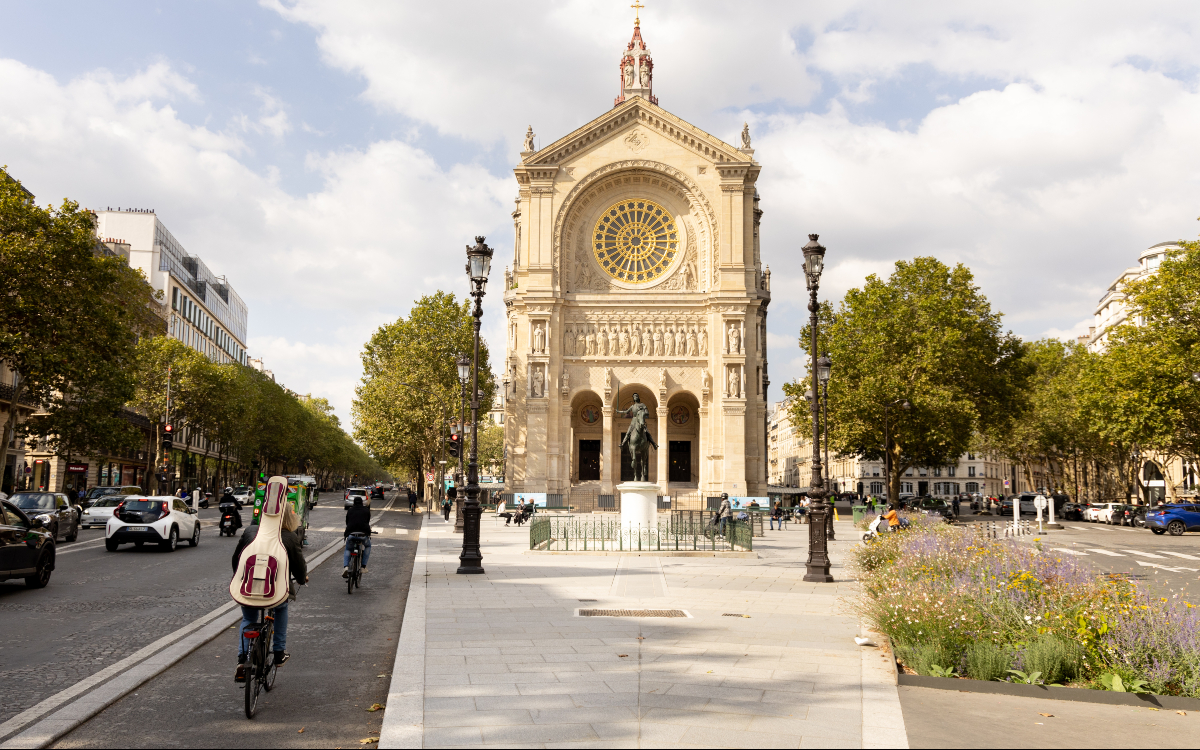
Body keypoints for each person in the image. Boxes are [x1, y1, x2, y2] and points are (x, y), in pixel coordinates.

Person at [232, 503, 307, 680]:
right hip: (276, 591)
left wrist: (239, 578)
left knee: (249, 618)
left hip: (248, 589)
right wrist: (303, 579)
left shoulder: (251, 531)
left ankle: (243, 658)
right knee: (281, 609)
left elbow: (236, 559)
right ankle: (279, 652)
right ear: (289, 517)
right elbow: (298, 567)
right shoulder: (289, 537)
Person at [343, 495, 372, 578]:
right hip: (363, 534)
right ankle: (363, 566)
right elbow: (367, 521)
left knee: (348, 549)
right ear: (362, 502)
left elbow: (347, 522)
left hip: (351, 534)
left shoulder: (350, 510)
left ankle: (346, 567)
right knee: (368, 546)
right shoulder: (366, 510)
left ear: (354, 502)